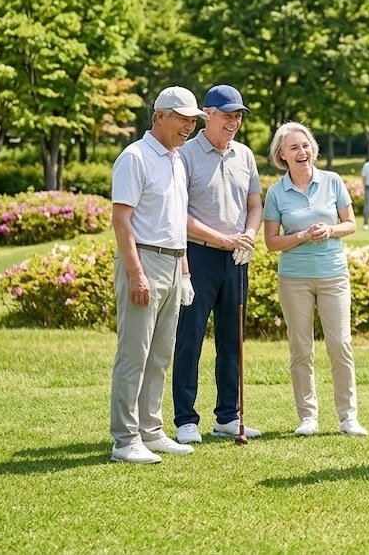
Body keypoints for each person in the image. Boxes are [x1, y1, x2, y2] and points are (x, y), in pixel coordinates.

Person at [108, 86, 206, 464]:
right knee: (135, 354)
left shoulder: (176, 159)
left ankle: (151, 430)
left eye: (193, 120)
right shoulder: (134, 157)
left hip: (171, 263)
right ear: (161, 115)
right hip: (144, 262)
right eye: (183, 118)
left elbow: (175, 221)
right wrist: (136, 273)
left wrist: (183, 269)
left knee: (161, 354)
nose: (189, 126)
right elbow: (122, 219)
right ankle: (124, 440)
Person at [263, 122, 367, 437]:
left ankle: (348, 417)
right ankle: (308, 417)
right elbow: (271, 242)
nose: (302, 152)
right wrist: (302, 236)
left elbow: (350, 224)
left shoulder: (332, 182)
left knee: (340, 344)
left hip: (333, 275)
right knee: (301, 348)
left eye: (305, 145)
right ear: (282, 154)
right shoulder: (276, 192)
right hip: (294, 278)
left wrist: (330, 230)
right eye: (294, 147)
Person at [172, 84, 263, 445]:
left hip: (238, 256)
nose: (234, 121)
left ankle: (228, 416)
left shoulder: (244, 155)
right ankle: (185, 419)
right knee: (190, 337)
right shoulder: (186, 155)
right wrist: (224, 239)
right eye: (227, 114)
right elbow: (178, 214)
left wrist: (250, 235)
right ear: (207, 114)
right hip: (199, 256)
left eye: (238, 115)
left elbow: (254, 205)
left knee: (232, 340)